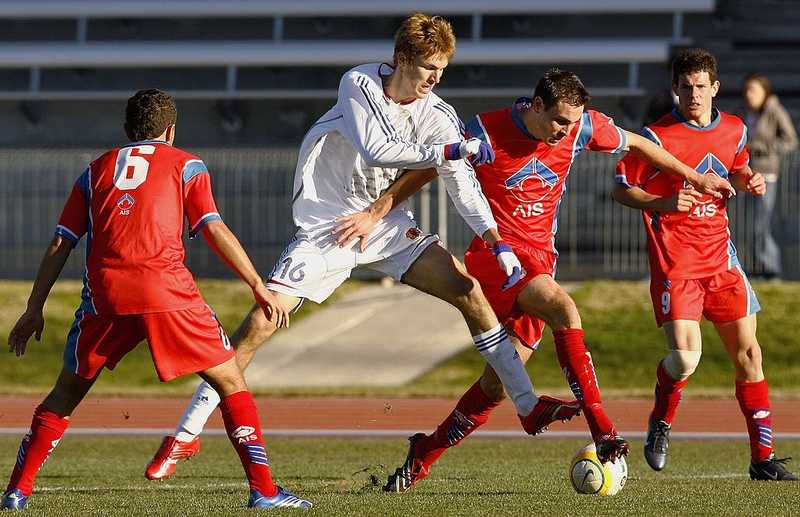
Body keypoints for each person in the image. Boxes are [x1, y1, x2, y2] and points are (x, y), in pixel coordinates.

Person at [144, 13, 583, 482]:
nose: (434, 79)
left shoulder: (438, 115)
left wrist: (498, 242)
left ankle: (527, 404)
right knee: (260, 322)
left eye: (442, 70)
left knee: (467, 289)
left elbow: (462, 186)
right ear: (400, 59)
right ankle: (185, 435)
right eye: (426, 67)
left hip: (384, 225)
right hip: (329, 228)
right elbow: (378, 148)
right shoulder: (359, 83)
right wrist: (452, 152)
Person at [340, 68, 737, 493]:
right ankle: (603, 429)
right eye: (559, 122)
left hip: (540, 261)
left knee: (497, 385)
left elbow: (638, 143)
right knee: (564, 308)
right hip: (497, 257)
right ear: (536, 106)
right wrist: (377, 211)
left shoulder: (579, 126)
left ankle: (425, 451)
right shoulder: (484, 131)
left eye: (572, 123)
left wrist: (696, 177)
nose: (566, 132)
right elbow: (430, 168)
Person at [1, 89, 314, 511]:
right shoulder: (187, 164)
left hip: (106, 296)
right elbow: (212, 228)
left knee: (65, 393)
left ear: (127, 129)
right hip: (166, 292)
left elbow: (62, 242)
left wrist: (34, 307)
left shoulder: (93, 172)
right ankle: (264, 491)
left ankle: (17, 491)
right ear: (170, 129)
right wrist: (257, 284)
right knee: (229, 381)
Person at [613, 49, 797, 481]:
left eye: (700, 86)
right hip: (676, 262)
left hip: (721, 258)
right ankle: (661, 420)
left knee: (750, 354)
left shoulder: (734, 127)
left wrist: (746, 177)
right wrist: (662, 201)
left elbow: (736, 166)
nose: (693, 94)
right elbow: (622, 189)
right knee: (684, 359)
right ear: (674, 89)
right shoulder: (654, 137)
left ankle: (763, 458)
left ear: (714, 88)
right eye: (684, 86)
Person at [734, 73, 798, 279]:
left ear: (764, 92)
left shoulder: (774, 111)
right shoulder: (741, 111)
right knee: (747, 224)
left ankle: (771, 268)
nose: (749, 95)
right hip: (744, 174)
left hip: (767, 175)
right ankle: (756, 266)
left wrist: (765, 149)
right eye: (747, 90)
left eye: (754, 90)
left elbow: (790, 141)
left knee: (763, 224)